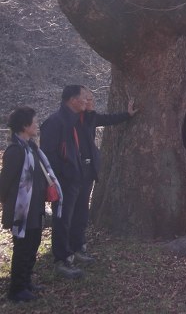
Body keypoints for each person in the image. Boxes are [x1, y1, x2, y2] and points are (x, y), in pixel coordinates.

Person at [1, 107, 62, 301]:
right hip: (21, 211)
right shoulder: (15, 151)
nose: (37, 125)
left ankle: (26, 282)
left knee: (33, 246)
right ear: (24, 125)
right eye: (34, 122)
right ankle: (16, 290)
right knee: (22, 249)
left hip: (35, 209)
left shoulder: (32, 149)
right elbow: (5, 184)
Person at [74, 89, 136, 261]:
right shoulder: (70, 120)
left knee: (82, 211)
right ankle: (68, 250)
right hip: (73, 171)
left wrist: (128, 114)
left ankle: (79, 245)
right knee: (71, 212)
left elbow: (109, 119)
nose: (91, 102)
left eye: (92, 98)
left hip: (88, 171)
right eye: (88, 99)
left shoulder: (91, 117)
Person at [39, 85, 90, 278]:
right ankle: (62, 259)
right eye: (83, 97)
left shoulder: (75, 120)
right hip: (63, 182)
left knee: (78, 216)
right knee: (62, 220)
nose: (86, 100)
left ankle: (76, 249)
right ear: (72, 100)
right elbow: (48, 156)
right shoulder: (55, 122)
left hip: (77, 179)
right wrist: (62, 176)